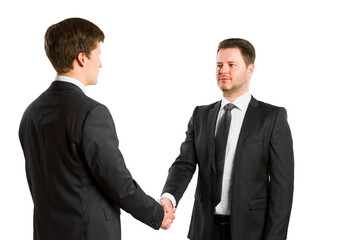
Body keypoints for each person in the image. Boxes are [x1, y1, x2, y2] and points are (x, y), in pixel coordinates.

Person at [18, 17, 174, 240]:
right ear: (82, 58)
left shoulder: (31, 113)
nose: (100, 64)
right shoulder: (92, 113)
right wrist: (158, 214)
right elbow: (118, 183)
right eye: (98, 55)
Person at [160, 38, 294, 240]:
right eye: (219, 65)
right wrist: (169, 197)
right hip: (205, 228)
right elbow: (184, 163)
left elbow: (282, 187)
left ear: (250, 70)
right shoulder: (201, 115)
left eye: (232, 65)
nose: (223, 70)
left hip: (251, 231)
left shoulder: (271, 118)